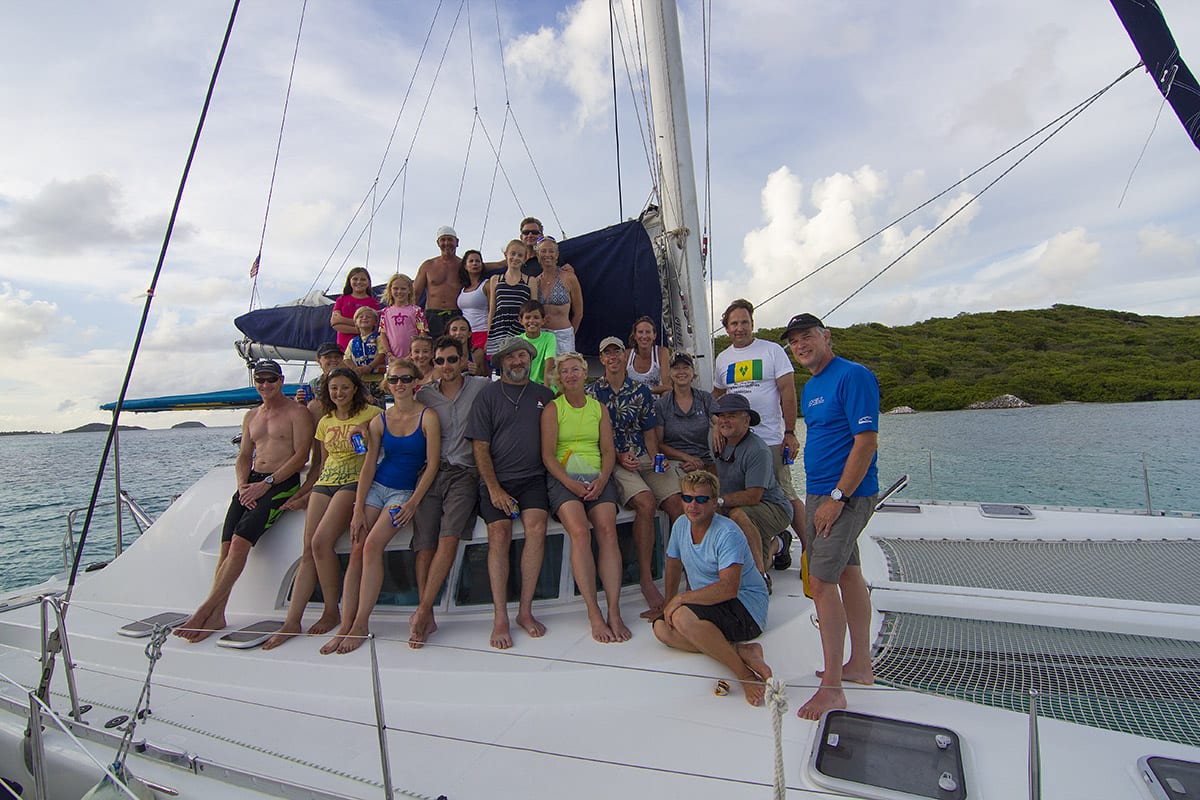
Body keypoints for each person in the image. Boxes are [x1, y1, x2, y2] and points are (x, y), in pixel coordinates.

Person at [781, 313, 880, 721]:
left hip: (844, 494)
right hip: (820, 491)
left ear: (826, 337)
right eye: (794, 341)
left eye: (807, 337)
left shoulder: (853, 376)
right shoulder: (813, 386)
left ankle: (833, 688)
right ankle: (860, 664)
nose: (800, 345)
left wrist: (838, 497)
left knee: (820, 581)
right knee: (848, 574)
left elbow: (866, 440)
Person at [176, 360, 314, 642]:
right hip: (251, 481)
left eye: (271, 380)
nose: (265, 385)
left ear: (281, 380)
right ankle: (218, 614)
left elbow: (301, 456)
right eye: (260, 380)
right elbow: (244, 456)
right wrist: (242, 484)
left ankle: (203, 611)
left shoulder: (297, 413)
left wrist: (266, 485)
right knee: (226, 546)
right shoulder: (252, 416)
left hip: (280, 484)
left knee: (240, 544)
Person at [321, 357, 441, 655]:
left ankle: (361, 625)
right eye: (394, 379)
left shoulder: (428, 417)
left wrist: (413, 503)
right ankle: (346, 624)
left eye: (405, 379)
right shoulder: (380, 420)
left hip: (403, 492)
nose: (399, 384)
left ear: (416, 383)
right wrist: (358, 507)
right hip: (377, 488)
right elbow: (369, 466)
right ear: (387, 384)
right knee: (357, 544)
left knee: (373, 545)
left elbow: (433, 465)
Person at [263, 368, 383, 650]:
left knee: (321, 541)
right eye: (333, 388)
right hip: (325, 482)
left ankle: (333, 611)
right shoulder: (325, 421)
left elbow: (378, 455)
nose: (339, 393)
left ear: (354, 388)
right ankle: (293, 621)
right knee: (308, 548)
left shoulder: (372, 414)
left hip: (353, 482)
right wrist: (304, 494)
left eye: (344, 387)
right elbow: (319, 463)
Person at [466, 336, 556, 649]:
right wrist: (493, 489)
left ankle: (525, 611)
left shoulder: (545, 395)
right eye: (511, 357)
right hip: (497, 479)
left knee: (536, 527)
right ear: (501, 362)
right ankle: (500, 615)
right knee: (500, 533)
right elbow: (480, 447)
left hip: (533, 479)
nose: (518, 361)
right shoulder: (487, 396)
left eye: (522, 356)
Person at [653, 470, 772, 706]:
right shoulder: (680, 526)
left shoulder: (727, 533)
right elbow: (674, 565)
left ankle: (745, 676)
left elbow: (729, 588)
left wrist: (679, 600)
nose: (692, 506)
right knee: (661, 629)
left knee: (683, 617)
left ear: (714, 503)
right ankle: (741, 651)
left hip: (745, 607)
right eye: (687, 498)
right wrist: (668, 601)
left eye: (701, 499)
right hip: (709, 601)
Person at [588, 336, 684, 619]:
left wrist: (656, 459)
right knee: (645, 503)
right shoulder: (593, 393)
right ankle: (645, 578)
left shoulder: (641, 391)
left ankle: (689, 572)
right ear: (602, 359)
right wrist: (618, 456)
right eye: (607, 353)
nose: (613, 357)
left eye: (617, 351)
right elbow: (595, 436)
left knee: (679, 505)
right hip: (614, 459)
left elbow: (649, 432)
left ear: (622, 356)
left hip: (643, 455)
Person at [408, 336, 491, 647]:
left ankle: (422, 612)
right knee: (424, 542)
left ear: (463, 359)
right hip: (431, 472)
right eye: (440, 361)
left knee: (449, 536)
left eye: (452, 360)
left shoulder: (481, 387)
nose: (446, 366)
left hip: (464, 474)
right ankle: (425, 610)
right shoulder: (425, 396)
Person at [540, 353, 629, 644]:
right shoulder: (553, 409)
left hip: (596, 476)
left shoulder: (598, 408)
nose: (570, 375)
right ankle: (594, 612)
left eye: (575, 370)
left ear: (584, 373)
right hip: (564, 479)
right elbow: (548, 455)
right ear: (559, 378)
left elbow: (607, 450)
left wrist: (602, 479)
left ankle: (614, 610)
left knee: (607, 531)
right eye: (564, 371)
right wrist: (571, 484)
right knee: (579, 532)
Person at [712, 298, 804, 560]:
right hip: (737, 441)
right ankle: (775, 544)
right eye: (733, 324)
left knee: (785, 494)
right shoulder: (723, 358)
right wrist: (716, 423)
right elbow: (716, 395)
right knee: (747, 499)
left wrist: (790, 432)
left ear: (752, 324)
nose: (739, 328)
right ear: (726, 328)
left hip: (770, 438)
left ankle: (811, 550)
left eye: (744, 322)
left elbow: (787, 391)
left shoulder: (772, 350)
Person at [709, 393, 793, 588]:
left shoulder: (758, 450)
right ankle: (779, 544)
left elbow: (754, 496)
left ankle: (760, 578)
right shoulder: (716, 439)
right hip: (741, 507)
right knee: (761, 556)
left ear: (746, 421)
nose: (725, 420)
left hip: (771, 508)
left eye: (731, 415)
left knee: (738, 514)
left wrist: (717, 502)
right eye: (721, 416)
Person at [655, 352, 717, 473]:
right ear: (670, 373)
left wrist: (717, 427)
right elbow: (659, 444)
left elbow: (720, 421)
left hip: (703, 462)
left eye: (685, 367)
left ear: (693, 372)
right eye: (676, 368)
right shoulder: (661, 405)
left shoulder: (705, 398)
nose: (681, 372)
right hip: (675, 463)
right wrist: (687, 458)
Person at [484, 240, 537, 363]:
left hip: (520, 329)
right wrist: (489, 336)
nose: (515, 258)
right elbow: (492, 309)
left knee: (520, 363)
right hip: (499, 329)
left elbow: (534, 309)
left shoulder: (530, 280)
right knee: (501, 366)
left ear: (524, 259)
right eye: (512, 254)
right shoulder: (495, 279)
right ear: (506, 255)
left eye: (520, 255)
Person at [533, 236, 583, 355]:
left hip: (563, 336)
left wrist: (570, 334)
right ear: (538, 255)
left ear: (557, 254)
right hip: (542, 336)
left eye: (551, 251)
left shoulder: (569, 277)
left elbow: (579, 313)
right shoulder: (535, 282)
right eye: (543, 251)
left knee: (564, 372)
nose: (547, 254)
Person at [414, 225, 464, 338]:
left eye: (450, 239)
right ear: (438, 243)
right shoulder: (428, 265)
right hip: (432, 315)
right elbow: (415, 294)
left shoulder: (464, 266)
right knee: (432, 350)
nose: (446, 243)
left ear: (457, 242)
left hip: (456, 314)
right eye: (443, 240)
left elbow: (485, 268)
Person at [378, 273, 428, 361]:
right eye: (395, 288)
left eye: (403, 289)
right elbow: (383, 334)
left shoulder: (417, 311)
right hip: (392, 358)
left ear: (409, 290)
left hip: (413, 358)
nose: (399, 292)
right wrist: (389, 354)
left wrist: (413, 353)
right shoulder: (385, 312)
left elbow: (422, 333)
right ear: (390, 290)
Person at [344, 306, 387, 407]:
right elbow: (346, 358)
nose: (364, 318)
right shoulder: (353, 342)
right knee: (360, 405)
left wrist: (370, 367)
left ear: (375, 323)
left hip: (376, 379)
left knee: (378, 404)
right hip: (360, 379)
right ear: (356, 322)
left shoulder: (378, 339)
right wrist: (355, 369)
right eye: (361, 317)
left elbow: (381, 354)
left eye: (368, 317)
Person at [329, 267, 380, 351]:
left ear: (368, 282)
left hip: (364, 345)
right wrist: (361, 327)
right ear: (350, 281)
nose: (359, 282)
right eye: (355, 279)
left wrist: (342, 320)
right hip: (343, 345)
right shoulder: (341, 300)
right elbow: (335, 322)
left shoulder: (373, 303)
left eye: (363, 279)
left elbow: (372, 325)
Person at [300, 343, 349, 422]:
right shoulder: (313, 384)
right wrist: (300, 402)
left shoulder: (353, 380)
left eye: (337, 357)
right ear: (318, 361)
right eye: (328, 357)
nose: (333, 360)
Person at [456, 250, 490, 356]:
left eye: (478, 261)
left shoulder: (486, 284)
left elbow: (492, 309)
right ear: (465, 266)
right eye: (471, 261)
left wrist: (490, 335)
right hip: (465, 335)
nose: (475, 263)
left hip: (482, 331)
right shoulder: (463, 288)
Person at [627, 316, 671, 395]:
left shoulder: (662, 352)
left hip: (655, 401)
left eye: (648, 332)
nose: (644, 336)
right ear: (635, 336)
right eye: (640, 332)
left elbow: (668, 386)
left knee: (667, 394)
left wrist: (644, 390)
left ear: (654, 336)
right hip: (632, 402)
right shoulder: (626, 355)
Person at [517, 299, 557, 386]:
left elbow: (549, 364)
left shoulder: (549, 337)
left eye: (536, 317)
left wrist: (546, 392)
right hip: (524, 386)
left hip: (544, 385)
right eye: (527, 317)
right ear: (520, 320)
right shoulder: (517, 340)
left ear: (543, 320)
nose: (531, 321)